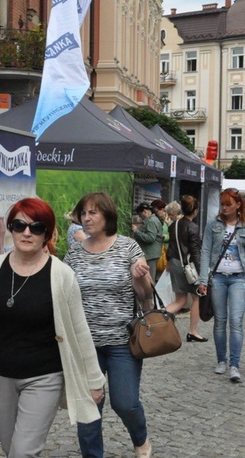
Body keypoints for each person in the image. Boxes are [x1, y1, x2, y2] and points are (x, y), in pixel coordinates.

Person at [0, 198, 105, 457]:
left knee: (23, 452)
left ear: (47, 234)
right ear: (11, 229)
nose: (27, 233)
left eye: (36, 227)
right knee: (10, 448)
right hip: (0, 376)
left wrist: (94, 380)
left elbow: (80, 331)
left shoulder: (62, 275)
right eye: (19, 225)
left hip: (44, 377)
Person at [64, 192, 154, 458]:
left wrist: (140, 277)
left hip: (121, 341)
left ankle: (141, 439)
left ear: (107, 215)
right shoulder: (74, 255)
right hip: (85, 344)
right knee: (89, 407)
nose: (87, 218)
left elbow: (146, 296)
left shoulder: (128, 247)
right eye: (83, 213)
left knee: (125, 403)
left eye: (93, 212)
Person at [197, 188, 245, 382]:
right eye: (222, 204)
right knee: (220, 321)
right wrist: (203, 280)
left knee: (236, 321)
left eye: (228, 204)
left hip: (239, 277)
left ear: (238, 205)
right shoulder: (212, 225)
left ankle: (234, 364)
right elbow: (205, 251)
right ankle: (221, 360)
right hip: (218, 278)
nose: (224, 208)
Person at [165, 195, 205, 341]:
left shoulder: (174, 225)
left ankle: (161, 317)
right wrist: (202, 274)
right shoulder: (193, 227)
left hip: (175, 262)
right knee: (195, 298)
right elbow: (195, 252)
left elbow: (171, 246)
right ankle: (192, 331)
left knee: (180, 299)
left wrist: (169, 261)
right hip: (188, 266)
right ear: (195, 210)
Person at [134, 199, 166, 282]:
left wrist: (136, 232)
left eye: (140, 215)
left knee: (150, 280)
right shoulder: (152, 220)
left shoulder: (151, 221)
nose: (141, 217)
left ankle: (151, 295)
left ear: (144, 212)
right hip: (151, 254)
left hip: (151, 255)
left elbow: (150, 238)